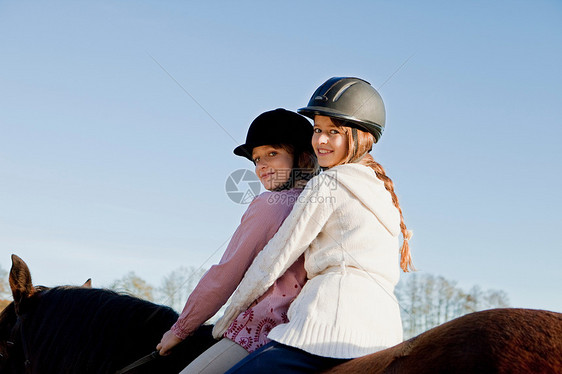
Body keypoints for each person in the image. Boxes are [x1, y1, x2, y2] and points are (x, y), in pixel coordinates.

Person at [213, 77, 414, 373]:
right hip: (384, 336)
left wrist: (226, 319)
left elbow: (273, 261)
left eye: (333, 132)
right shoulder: (384, 194)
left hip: (327, 329)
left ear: (362, 137)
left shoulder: (328, 183)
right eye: (318, 130)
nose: (320, 140)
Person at [156, 108, 318, 373]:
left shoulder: (269, 205)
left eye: (272, 154)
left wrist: (181, 329)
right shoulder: (321, 203)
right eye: (256, 159)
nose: (261, 166)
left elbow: (225, 275)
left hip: (262, 330)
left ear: (302, 157)